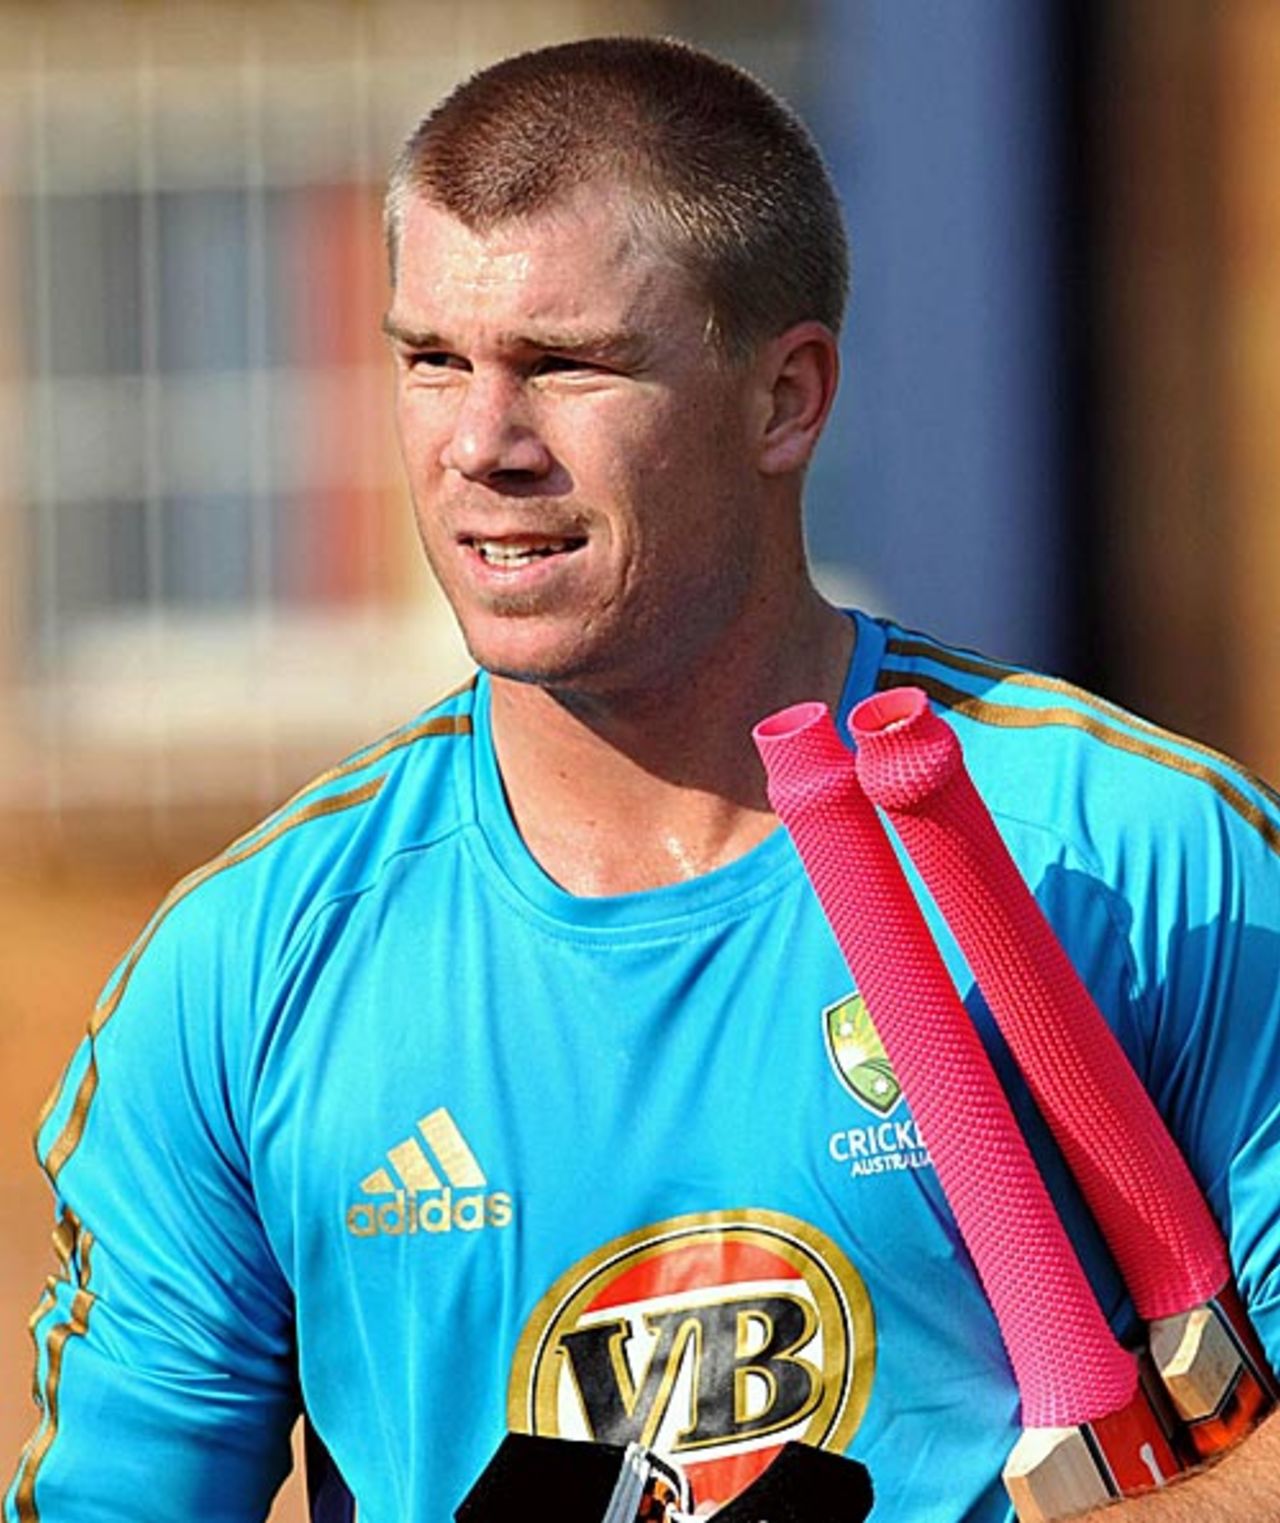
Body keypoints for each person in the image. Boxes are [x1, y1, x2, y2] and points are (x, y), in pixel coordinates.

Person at [7, 34, 1280, 1523]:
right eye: (432, 360)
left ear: (786, 401)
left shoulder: (1138, 859)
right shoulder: (246, 966)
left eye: (567, 365)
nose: (482, 444)